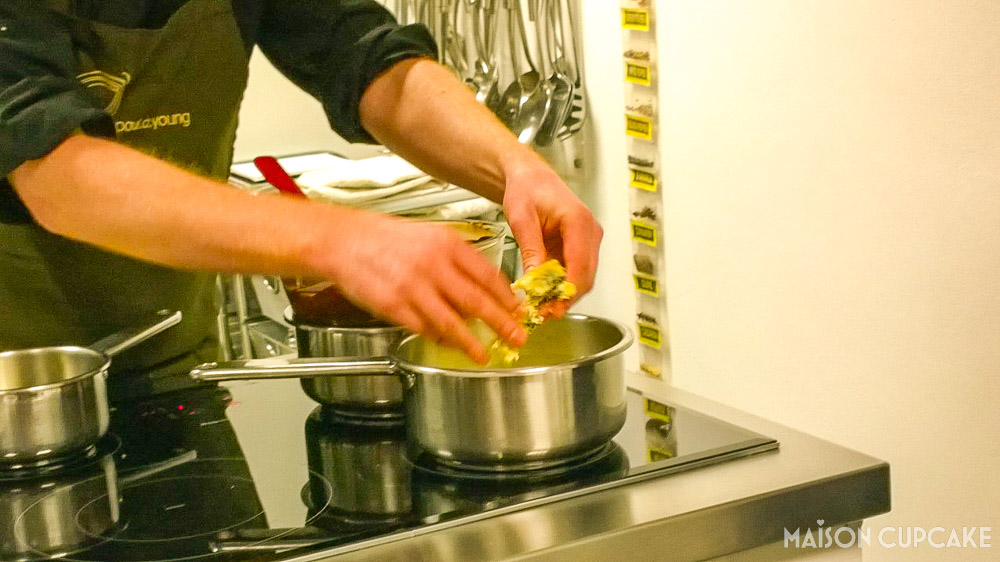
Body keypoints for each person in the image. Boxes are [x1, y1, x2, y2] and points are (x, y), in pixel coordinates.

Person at [0, 0, 602, 397]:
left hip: (174, 364)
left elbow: (368, 59)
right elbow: (56, 173)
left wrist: (516, 168)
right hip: (17, 401)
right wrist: (337, 239)